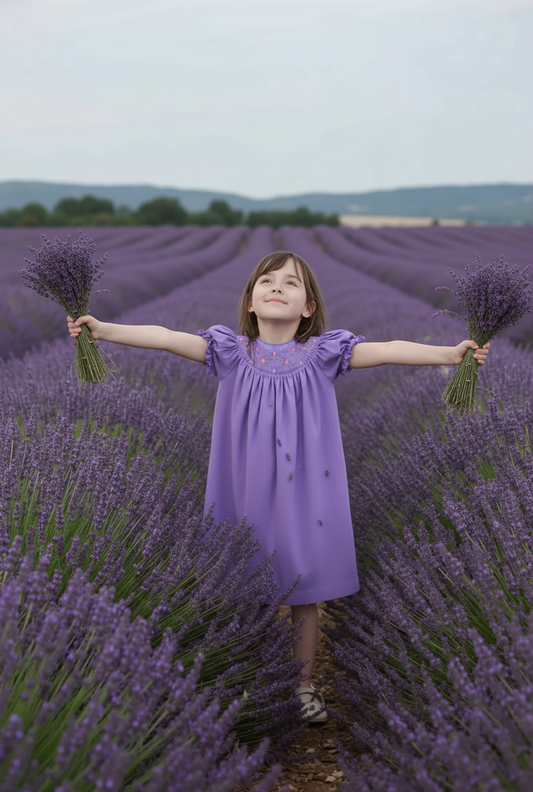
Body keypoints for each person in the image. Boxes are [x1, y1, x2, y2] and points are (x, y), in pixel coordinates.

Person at [67, 250, 490, 724]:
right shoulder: (229, 351)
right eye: (266, 281)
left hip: (305, 488)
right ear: (249, 301)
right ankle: (246, 677)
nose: (276, 288)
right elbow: (166, 338)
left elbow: (389, 348)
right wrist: (104, 330)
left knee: (303, 585)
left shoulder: (324, 354)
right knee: (242, 577)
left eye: (291, 284)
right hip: (243, 486)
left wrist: (449, 354)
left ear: (309, 307)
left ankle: (302, 684)